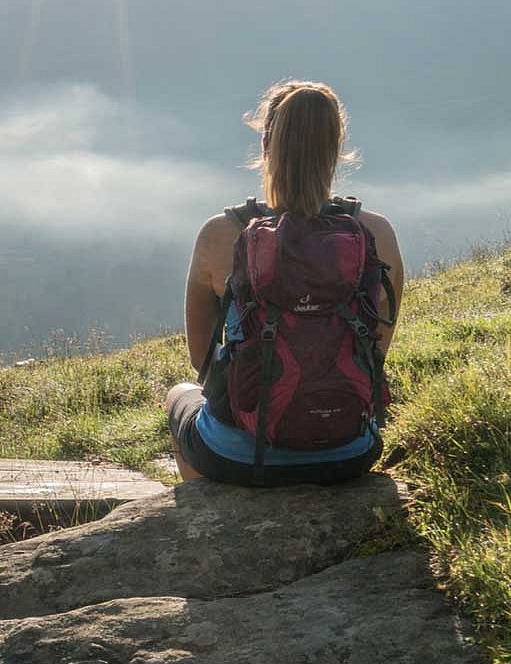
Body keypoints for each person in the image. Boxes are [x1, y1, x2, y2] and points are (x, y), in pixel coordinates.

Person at [165, 80, 406, 486]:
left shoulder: (220, 234)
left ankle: (208, 509)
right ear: (336, 149)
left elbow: (201, 359)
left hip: (240, 455)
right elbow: (376, 348)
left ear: (265, 148)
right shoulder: (375, 233)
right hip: (350, 450)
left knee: (179, 394)